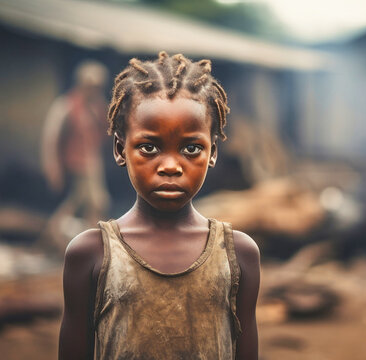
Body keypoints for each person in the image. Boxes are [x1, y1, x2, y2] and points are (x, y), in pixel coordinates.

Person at [59, 52, 260, 360]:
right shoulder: (91, 254)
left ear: (213, 152)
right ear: (119, 148)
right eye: (149, 147)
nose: (170, 166)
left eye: (191, 148)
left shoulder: (238, 255)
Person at [41, 60, 111, 249]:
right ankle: (53, 234)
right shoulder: (67, 105)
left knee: (93, 204)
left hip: (93, 164)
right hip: (76, 164)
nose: (94, 90)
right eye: (91, 86)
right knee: (84, 203)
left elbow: (103, 134)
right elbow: (52, 137)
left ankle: (92, 245)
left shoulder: (96, 107)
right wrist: (52, 166)